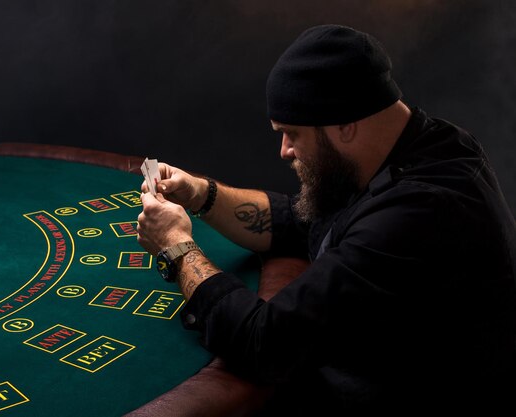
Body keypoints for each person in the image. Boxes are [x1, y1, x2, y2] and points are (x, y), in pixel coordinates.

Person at [136, 24, 516, 412]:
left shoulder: (420, 213)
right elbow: (300, 222)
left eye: (293, 134)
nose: (284, 150)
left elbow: (264, 345)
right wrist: (201, 193)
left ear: (345, 125)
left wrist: (177, 247)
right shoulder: (410, 146)